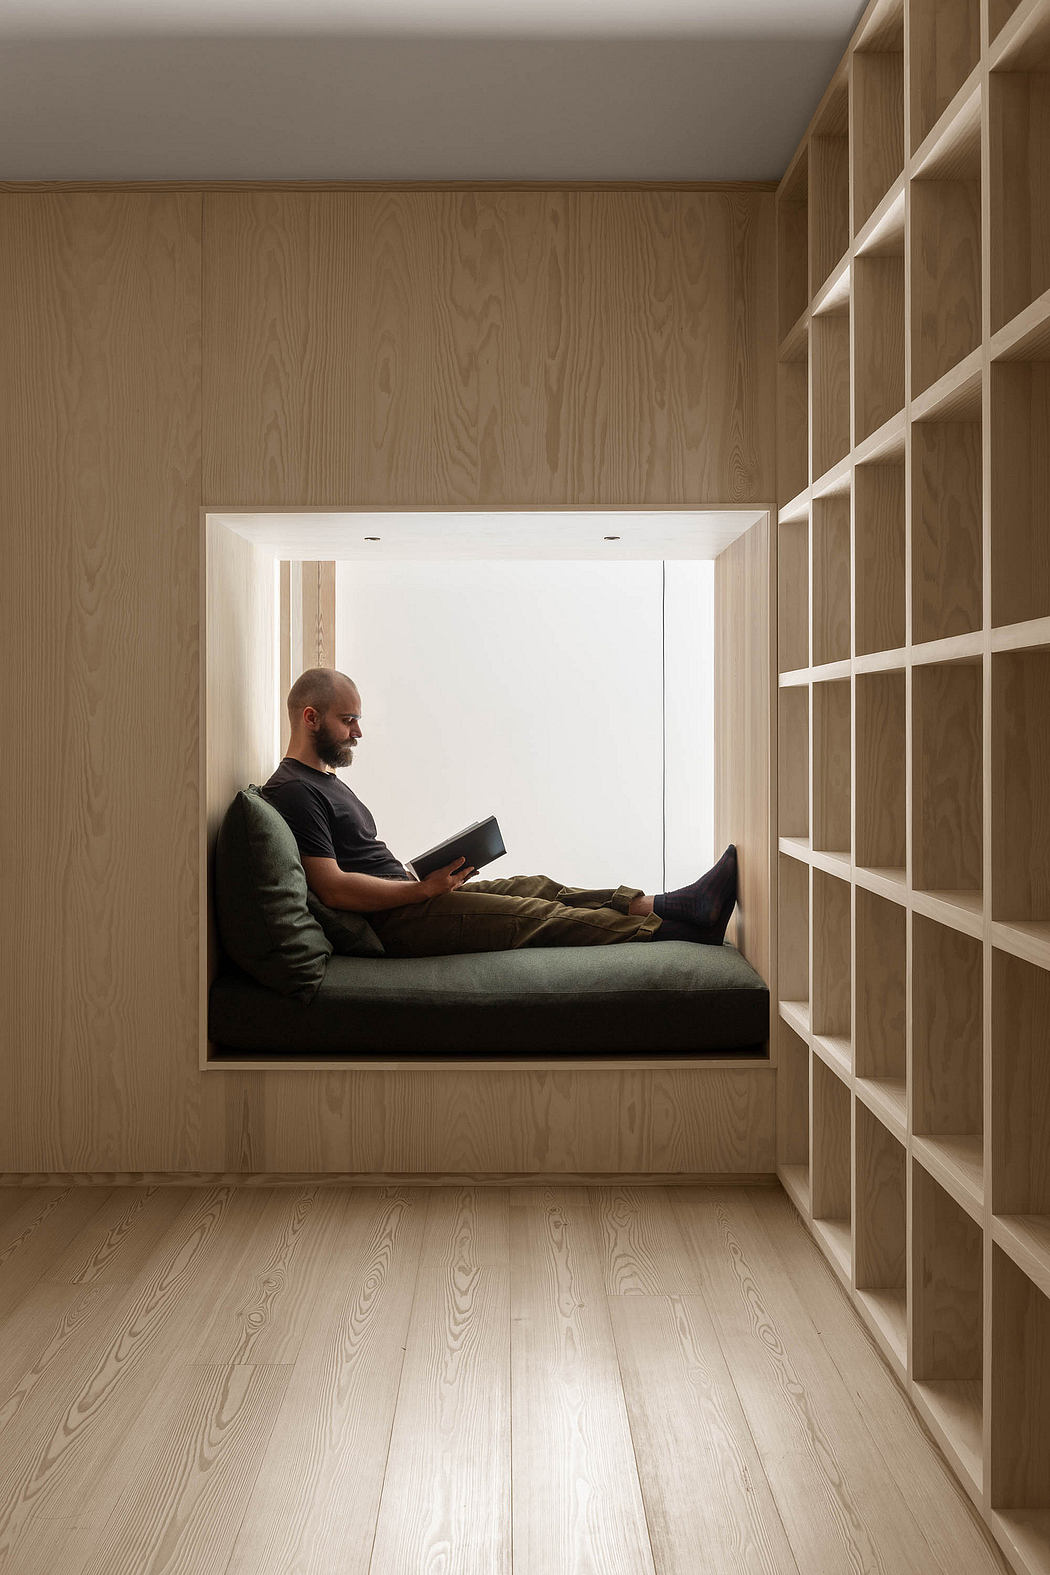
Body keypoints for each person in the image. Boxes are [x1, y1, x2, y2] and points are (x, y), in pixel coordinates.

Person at [261, 667, 738, 958]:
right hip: (397, 922)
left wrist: (423, 876)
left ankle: (671, 905)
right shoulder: (294, 790)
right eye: (348, 720)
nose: (357, 733)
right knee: (536, 915)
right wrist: (422, 890)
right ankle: (680, 932)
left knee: (537, 887)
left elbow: (359, 864)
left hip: (407, 896)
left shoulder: (322, 782)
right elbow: (333, 887)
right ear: (310, 717)